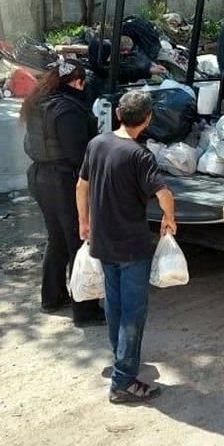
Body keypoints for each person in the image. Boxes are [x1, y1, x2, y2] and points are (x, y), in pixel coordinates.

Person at [76, 90, 177, 404]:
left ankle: (121, 358)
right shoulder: (140, 155)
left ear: (118, 114)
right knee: (133, 314)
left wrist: (84, 222)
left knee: (115, 307)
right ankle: (123, 382)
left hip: (102, 241)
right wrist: (169, 220)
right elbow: (164, 194)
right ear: (146, 120)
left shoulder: (97, 144)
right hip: (132, 247)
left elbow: (81, 185)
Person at [21, 56, 103, 327]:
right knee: (78, 242)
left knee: (56, 239)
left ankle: (52, 296)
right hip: (65, 182)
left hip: (40, 177)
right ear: (77, 82)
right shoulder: (69, 111)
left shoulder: (38, 104)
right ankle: (85, 310)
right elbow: (79, 154)